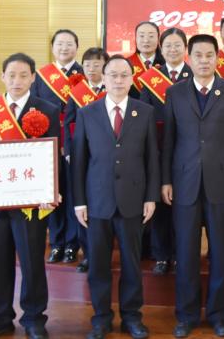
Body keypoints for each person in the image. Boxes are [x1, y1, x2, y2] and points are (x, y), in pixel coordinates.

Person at [0, 52, 61, 339]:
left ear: (33, 78)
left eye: (24, 75)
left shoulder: (48, 109)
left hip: (32, 203)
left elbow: (53, 155)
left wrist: (52, 190)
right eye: (12, 75)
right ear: (2, 76)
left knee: (32, 261)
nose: (17, 81)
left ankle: (34, 318)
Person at [162, 34, 224, 338]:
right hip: (184, 182)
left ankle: (219, 315)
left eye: (209, 55)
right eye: (198, 55)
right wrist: (166, 180)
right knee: (186, 252)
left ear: (217, 58)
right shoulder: (174, 92)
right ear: (189, 58)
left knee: (221, 252)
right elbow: (169, 141)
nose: (203, 60)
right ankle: (186, 316)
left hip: (222, 181)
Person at [72, 55, 160, 339]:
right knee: (98, 264)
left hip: (133, 200)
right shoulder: (87, 113)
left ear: (132, 79)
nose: (119, 80)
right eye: (113, 75)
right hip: (97, 202)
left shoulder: (144, 112)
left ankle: (132, 317)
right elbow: (79, 162)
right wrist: (79, 201)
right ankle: (101, 318)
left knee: (132, 264)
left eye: (124, 75)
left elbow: (152, 158)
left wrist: (151, 196)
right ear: (104, 78)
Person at [30, 29, 83, 264]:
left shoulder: (85, 73)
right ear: (52, 47)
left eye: (69, 44)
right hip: (49, 143)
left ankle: (72, 244)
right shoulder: (41, 76)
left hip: (75, 142)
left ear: (77, 47)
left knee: (73, 193)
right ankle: (57, 242)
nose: (64, 48)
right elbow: (33, 108)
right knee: (52, 193)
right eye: (60, 44)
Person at [147, 27, 193, 273]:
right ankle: (161, 255)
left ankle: (181, 253)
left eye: (177, 45)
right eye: (168, 46)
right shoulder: (150, 79)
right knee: (161, 204)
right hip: (158, 150)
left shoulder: (195, 75)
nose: (172, 50)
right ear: (160, 49)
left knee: (184, 205)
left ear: (185, 49)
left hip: (187, 150)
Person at [62, 46, 110, 273]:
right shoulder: (77, 93)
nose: (91, 69)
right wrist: (69, 152)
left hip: (107, 158)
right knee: (83, 204)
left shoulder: (116, 88)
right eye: (87, 65)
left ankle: (107, 253)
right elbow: (67, 124)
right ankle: (88, 254)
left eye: (97, 65)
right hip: (82, 157)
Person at [128, 21, 164, 94]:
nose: (146, 40)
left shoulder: (166, 62)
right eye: (141, 36)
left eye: (151, 36)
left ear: (158, 39)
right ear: (135, 39)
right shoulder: (126, 64)